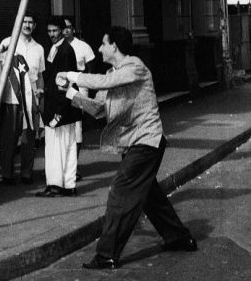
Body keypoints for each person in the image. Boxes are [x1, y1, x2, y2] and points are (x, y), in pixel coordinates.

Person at [56, 26, 198, 270]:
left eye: (103, 43)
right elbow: (98, 109)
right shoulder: (112, 74)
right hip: (135, 144)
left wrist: (71, 75)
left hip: (147, 141)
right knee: (150, 197)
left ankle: (107, 255)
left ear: (114, 46)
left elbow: (105, 82)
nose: (99, 48)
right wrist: (70, 93)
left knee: (120, 192)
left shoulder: (135, 66)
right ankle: (179, 237)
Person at [36, 15, 80, 198]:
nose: (52, 34)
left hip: (60, 107)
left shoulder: (64, 51)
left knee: (56, 147)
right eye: (49, 31)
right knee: (68, 147)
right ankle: (69, 185)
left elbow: (65, 82)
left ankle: (55, 185)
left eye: (55, 30)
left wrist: (58, 113)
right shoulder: (56, 49)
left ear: (63, 31)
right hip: (64, 107)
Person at [0, 13, 45, 185]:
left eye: (30, 22)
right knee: (9, 136)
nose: (27, 25)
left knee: (29, 137)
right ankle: (7, 173)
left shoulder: (39, 48)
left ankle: (26, 172)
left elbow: (39, 75)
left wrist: (40, 91)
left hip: (30, 97)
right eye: (24, 22)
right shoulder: (7, 42)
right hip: (11, 97)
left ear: (35, 25)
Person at [63, 15, 95, 180]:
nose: (65, 30)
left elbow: (91, 68)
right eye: (63, 27)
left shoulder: (83, 46)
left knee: (77, 126)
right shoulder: (56, 47)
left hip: (80, 87)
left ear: (73, 29)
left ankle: (73, 167)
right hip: (62, 88)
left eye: (68, 27)